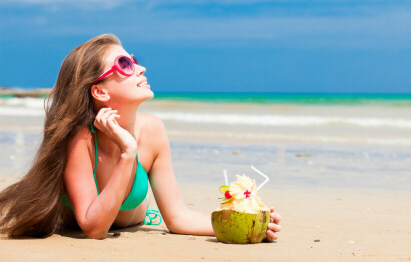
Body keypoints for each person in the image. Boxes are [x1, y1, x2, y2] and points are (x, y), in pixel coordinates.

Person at [0, 34, 281, 240]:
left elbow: (178, 217)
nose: (140, 68)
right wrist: (127, 152)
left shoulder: (153, 130)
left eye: (133, 60)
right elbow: (94, 227)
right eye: (124, 64)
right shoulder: (81, 140)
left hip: (142, 217)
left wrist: (242, 223)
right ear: (100, 91)